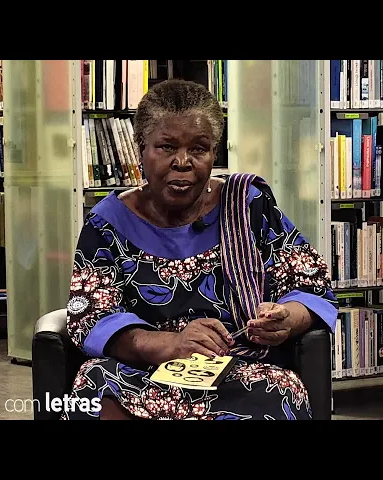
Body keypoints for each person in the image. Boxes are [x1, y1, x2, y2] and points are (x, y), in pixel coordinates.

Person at [62, 79, 338, 420]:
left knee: (280, 391)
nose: (182, 162)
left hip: (241, 369)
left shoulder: (246, 205)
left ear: (214, 153)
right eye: (166, 147)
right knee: (93, 386)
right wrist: (170, 344)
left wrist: (286, 319)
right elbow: (90, 316)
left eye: (198, 149)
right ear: (140, 149)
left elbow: (311, 284)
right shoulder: (107, 223)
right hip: (142, 371)